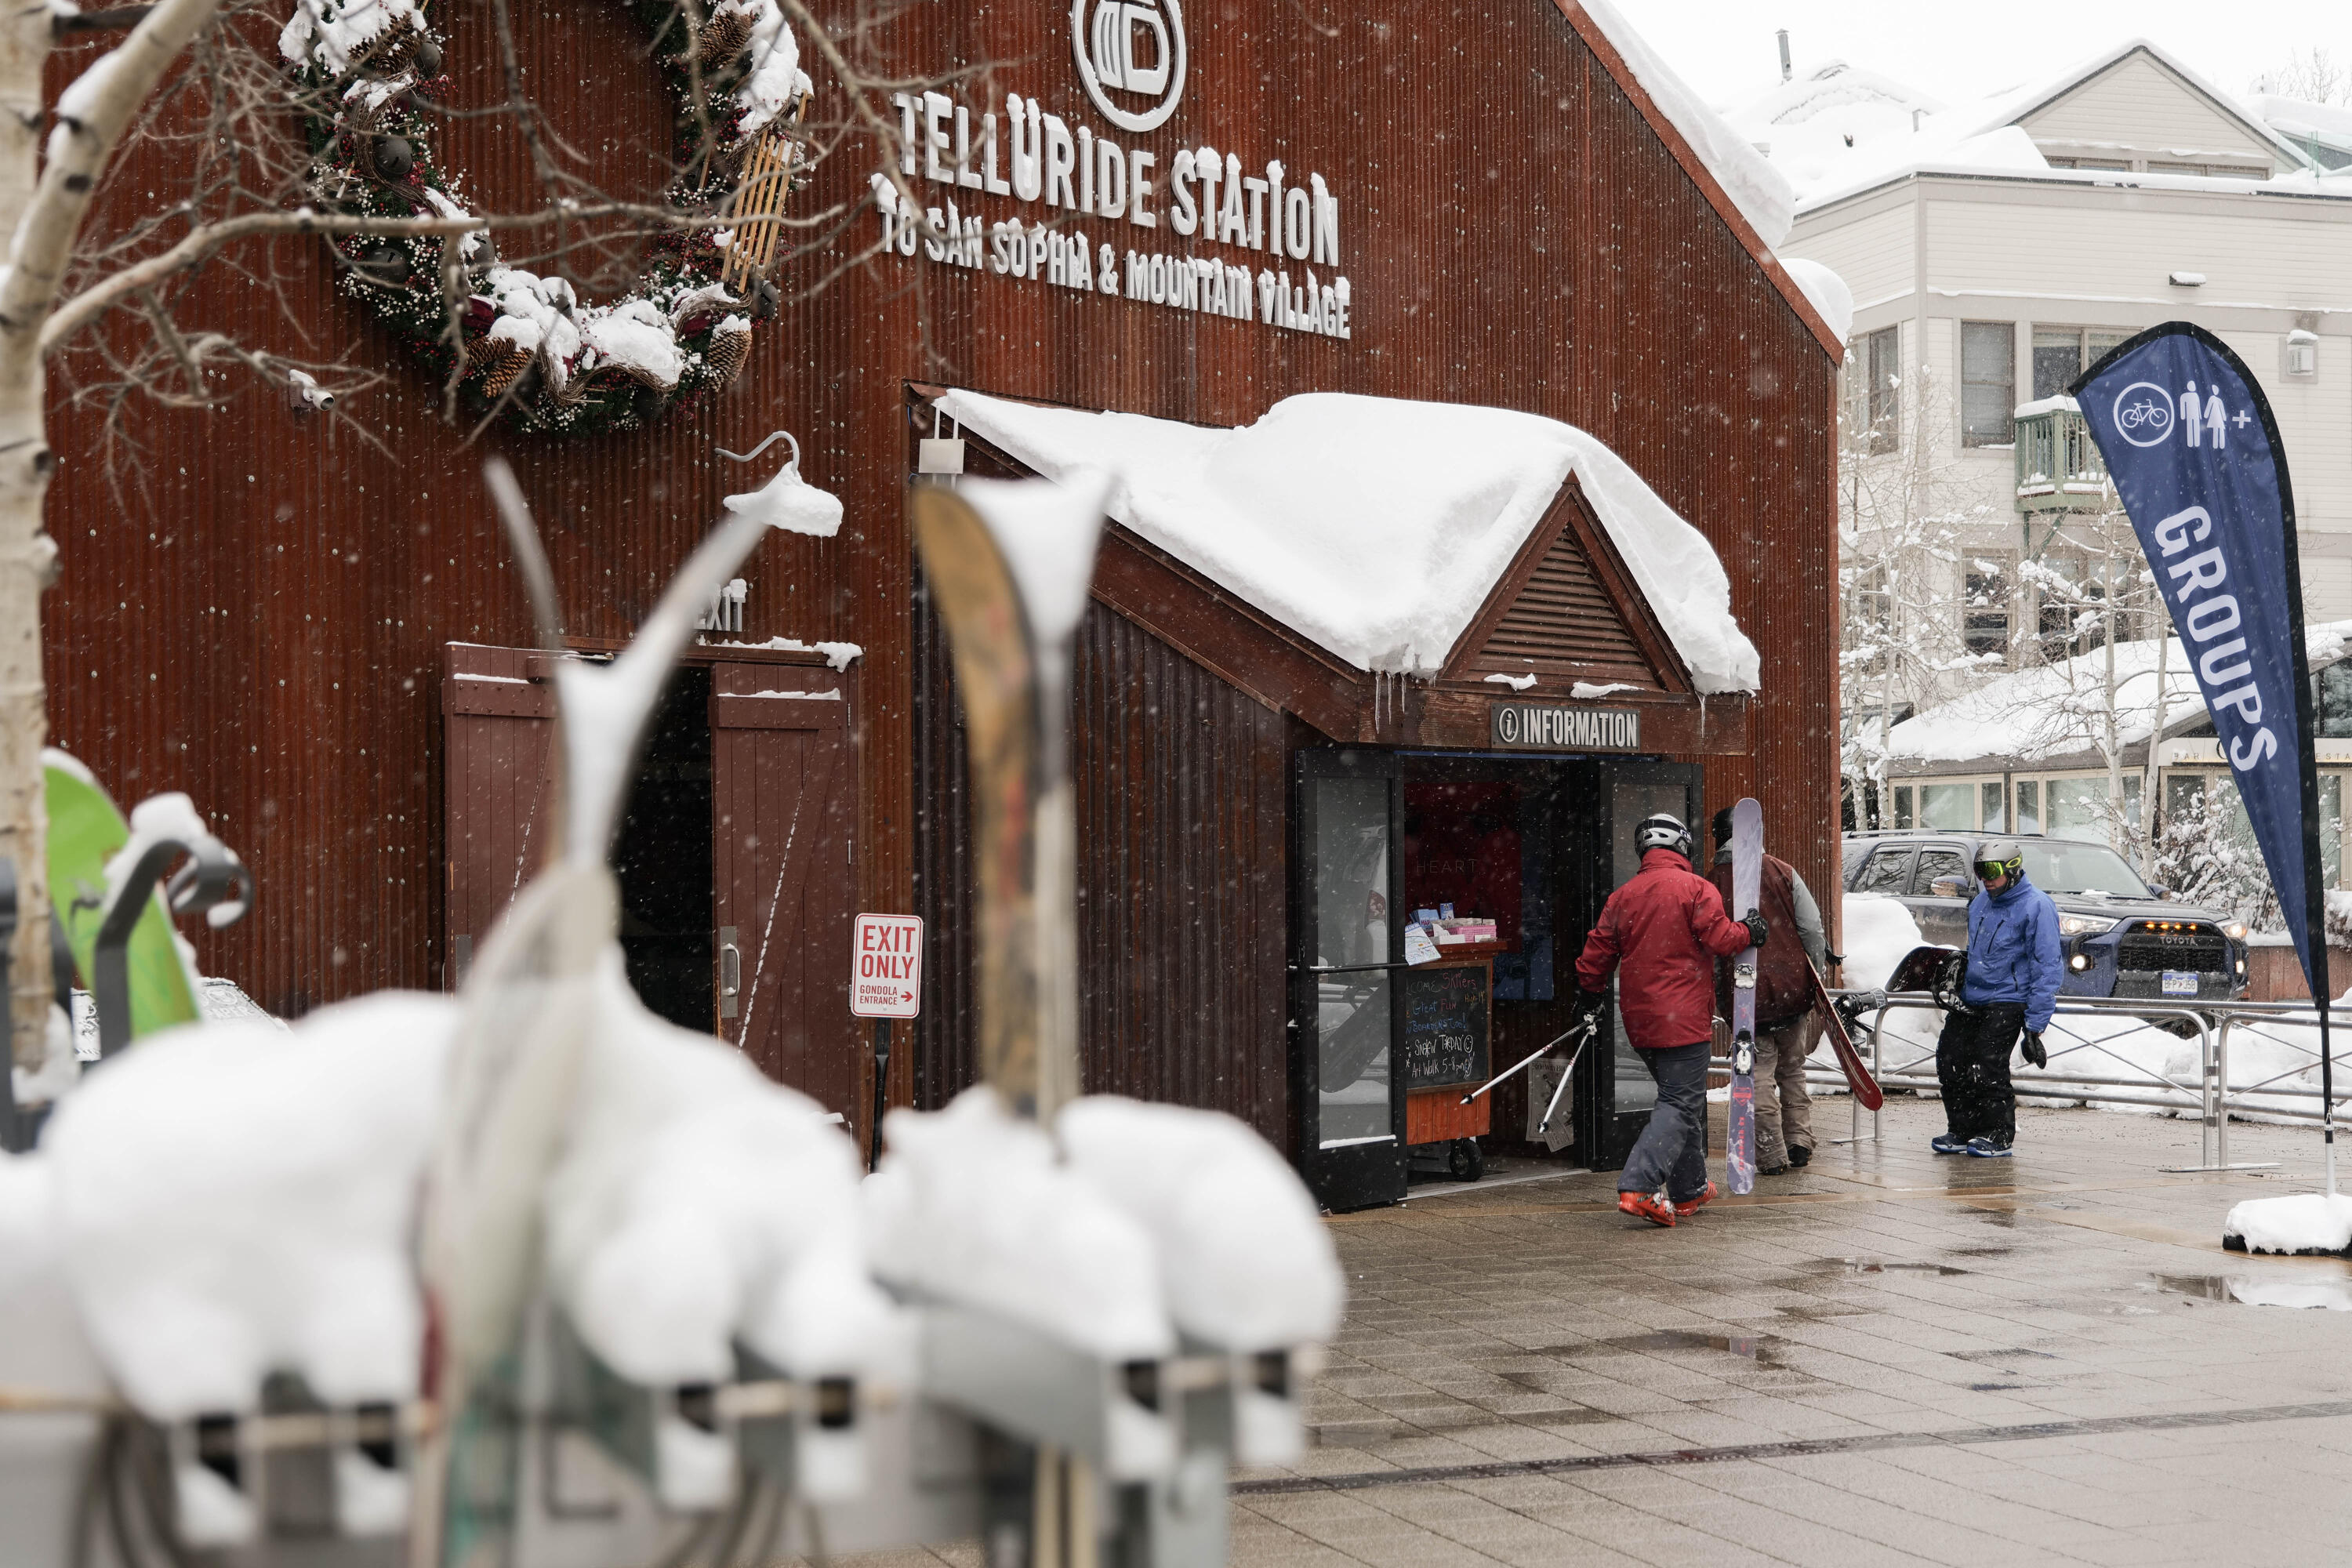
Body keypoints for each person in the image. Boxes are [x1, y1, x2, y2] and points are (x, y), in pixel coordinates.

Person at [1573, 812, 1767, 1227]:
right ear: (1682, 846)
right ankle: (1640, 1185)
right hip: (1682, 1018)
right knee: (1681, 1102)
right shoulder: (1697, 888)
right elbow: (1721, 939)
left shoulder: (1622, 896)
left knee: (1681, 1100)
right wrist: (1750, 931)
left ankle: (1690, 1189)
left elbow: (1595, 957)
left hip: (1641, 1021)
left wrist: (1589, 997)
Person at [1705, 808, 1829, 1175]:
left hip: (1747, 998)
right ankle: (1799, 1141)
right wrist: (1815, 973)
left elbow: (1710, 948)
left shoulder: (1710, 883)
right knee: (1792, 1070)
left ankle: (1771, 1153)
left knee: (1755, 1075)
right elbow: (1811, 929)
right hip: (1792, 991)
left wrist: (1719, 990)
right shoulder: (1782, 870)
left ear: (1718, 837)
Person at [1933, 839, 2060, 1158]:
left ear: (2013, 870)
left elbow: (2047, 966)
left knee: (1988, 1064)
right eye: (1980, 872)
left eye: (1992, 871)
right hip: (1972, 996)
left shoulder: (2037, 906)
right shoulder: (1979, 904)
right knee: (1951, 1058)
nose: (1986, 879)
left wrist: (2035, 1025)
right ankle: (1962, 1129)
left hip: (2009, 998)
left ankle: (1999, 1133)